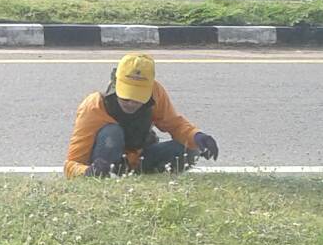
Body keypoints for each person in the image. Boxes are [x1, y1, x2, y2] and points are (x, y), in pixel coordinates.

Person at [63, 53, 218, 177]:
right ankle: (107, 174)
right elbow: (71, 163)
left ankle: (134, 172)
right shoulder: (94, 106)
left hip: (140, 158)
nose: (131, 103)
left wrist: (197, 136)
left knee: (189, 149)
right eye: (126, 96)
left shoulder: (156, 93)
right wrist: (87, 171)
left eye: (138, 98)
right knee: (112, 133)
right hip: (104, 162)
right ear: (116, 84)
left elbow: (174, 124)